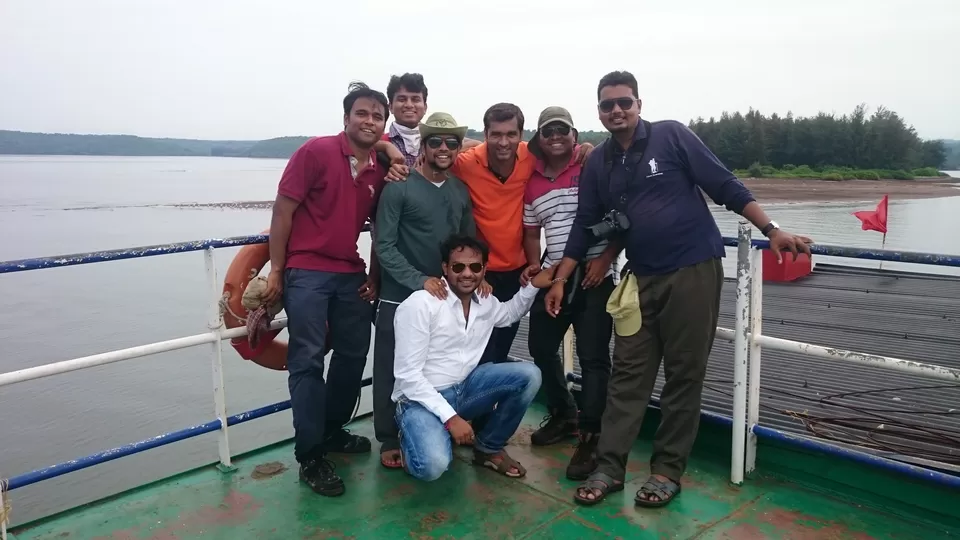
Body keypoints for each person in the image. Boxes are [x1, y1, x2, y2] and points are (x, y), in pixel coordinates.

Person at [547, 71, 813, 508]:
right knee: (629, 376)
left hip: (693, 270)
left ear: (638, 104)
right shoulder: (599, 163)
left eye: (624, 103)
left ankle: (667, 471)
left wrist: (772, 228)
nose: (617, 110)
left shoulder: (671, 137)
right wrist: (561, 278)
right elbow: (585, 223)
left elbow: (724, 185)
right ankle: (610, 467)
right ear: (598, 111)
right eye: (608, 105)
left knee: (684, 376)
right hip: (640, 277)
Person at [261, 82, 402, 498]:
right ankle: (309, 455)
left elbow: (381, 231)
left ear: (384, 124)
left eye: (378, 115)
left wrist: (374, 276)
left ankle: (332, 430)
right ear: (346, 118)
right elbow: (282, 211)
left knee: (355, 351)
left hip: (349, 273)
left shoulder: (380, 167)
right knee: (305, 360)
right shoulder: (316, 152)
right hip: (305, 270)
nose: (369, 120)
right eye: (362, 113)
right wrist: (276, 272)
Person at [391, 234, 557, 482]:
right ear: (445, 268)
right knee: (432, 467)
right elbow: (408, 377)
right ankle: (411, 439)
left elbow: (509, 314)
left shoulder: (485, 302)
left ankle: (488, 447)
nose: (467, 273)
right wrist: (451, 418)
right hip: (420, 401)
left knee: (529, 375)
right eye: (458, 267)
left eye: (475, 267)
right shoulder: (420, 305)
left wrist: (533, 285)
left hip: (465, 389)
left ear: (484, 269)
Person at [448, 103, 594, 365]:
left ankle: (492, 405)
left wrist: (587, 148)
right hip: (480, 273)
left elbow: (565, 154)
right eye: (496, 134)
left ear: (521, 135)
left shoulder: (531, 158)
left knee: (502, 347)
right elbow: (435, 160)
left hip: (518, 271)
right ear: (485, 133)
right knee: (473, 352)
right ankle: (470, 406)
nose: (503, 142)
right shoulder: (465, 163)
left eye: (511, 134)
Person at [372, 111, 478, 469]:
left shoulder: (459, 190)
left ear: (459, 147)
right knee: (390, 365)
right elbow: (384, 245)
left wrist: (479, 277)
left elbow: (468, 244)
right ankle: (388, 435)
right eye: (435, 141)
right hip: (399, 294)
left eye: (451, 142)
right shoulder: (398, 186)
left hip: (443, 299)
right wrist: (419, 279)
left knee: (439, 365)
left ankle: (433, 422)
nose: (444, 148)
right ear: (425, 145)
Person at [521, 106, 619, 481]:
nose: (556, 136)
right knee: (541, 346)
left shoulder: (592, 167)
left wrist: (607, 258)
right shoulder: (532, 182)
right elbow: (532, 231)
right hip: (556, 275)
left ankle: (591, 436)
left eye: (563, 130)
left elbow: (616, 218)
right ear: (540, 140)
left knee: (594, 358)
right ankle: (565, 414)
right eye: (548, 132)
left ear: (575, 136)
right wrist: (534, 265)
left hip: (595, 274)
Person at [383, 73, 429, 167]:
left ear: (425, 107)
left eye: (415, 99)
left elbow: (466, 144)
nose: (409, 105)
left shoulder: (436, 142)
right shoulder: (378, 144)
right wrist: (384, 146)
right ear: (390, 107)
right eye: (402, 99)